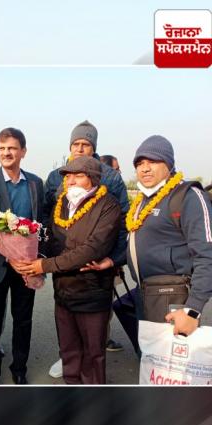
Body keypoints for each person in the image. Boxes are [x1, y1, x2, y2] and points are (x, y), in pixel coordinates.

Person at [16, 157, 122, 384]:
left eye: (78, 175)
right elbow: (50, 237)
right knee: (69, 351)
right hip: (63, 291)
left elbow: (92, 249)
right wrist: (36, 257)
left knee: (93, 355)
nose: (70, 181)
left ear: (93, 178)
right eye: (67, 176)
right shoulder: (61, 203)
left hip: (92, 292)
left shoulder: (109, 205)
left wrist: (45, 266)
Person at [42, 121, 129, 379]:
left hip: (95, 269)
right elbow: (50, 218)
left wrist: (114, 259)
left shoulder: (110, 183)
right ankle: (70, 365)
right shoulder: (55, 177)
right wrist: (42, 254)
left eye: (86, 144)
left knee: (94, 342)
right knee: (69, 341)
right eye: (76, 144)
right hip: (64, 274)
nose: (80, 149)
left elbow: (120, 225)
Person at [0, 127, 44, 385]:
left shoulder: (35, 183)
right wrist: (7, 257)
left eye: (12, 148)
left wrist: (35, 258)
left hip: (26, 265)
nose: (6, 153)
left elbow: (41, 223)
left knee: (23, 319)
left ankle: (19, 368)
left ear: (23, 151)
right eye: (2, 148)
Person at [126, 136, 212, 335]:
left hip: (172, 296)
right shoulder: (144, 199)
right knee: (150, 360)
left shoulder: (188, 196)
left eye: (153, 161)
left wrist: (192, 309)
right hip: (144, 292)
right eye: (139, 163)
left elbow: (207, 254)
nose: (145, 168)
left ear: (169, 164)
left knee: (171, 362)